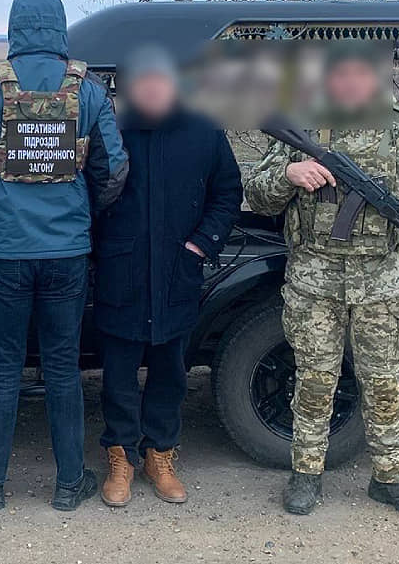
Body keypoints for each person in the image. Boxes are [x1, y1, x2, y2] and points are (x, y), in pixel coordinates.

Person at [243, 45, 399, 521]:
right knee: (314, 379)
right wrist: (289, 173)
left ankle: (391, 479)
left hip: (382, 283)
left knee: (383, 383)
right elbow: (256, 195)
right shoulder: (303, 127)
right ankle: (306, 474)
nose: (351, 82)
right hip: (313, 283)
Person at [0, 0, 128, 511]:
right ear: (60, 27)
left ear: (14, 27)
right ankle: (69, 484)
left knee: (3, 368)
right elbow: (114, 170)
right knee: (63, 368)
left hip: (3, 252)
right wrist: (83, 214)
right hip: (67, 253)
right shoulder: (87, 88)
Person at [92, 47, 242, 507]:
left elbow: (227, 192)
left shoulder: (203, 131)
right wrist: (96, 249)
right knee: (118, 374)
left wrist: (201, 244)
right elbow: (86, 194)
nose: (153, 89)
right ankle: (120, 457)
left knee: (170, 372)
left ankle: (160, 454)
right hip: (122, 272)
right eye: (144, 82)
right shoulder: (110, 131)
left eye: (160, 80)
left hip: (178, 272)